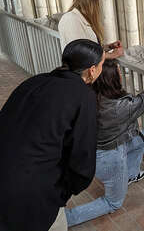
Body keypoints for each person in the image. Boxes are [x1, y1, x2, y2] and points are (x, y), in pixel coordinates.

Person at [0, 39, 105, 231]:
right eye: (101, 65)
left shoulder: (35, 81)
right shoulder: (83, 96)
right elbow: (83, 161)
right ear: (92, 70)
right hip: (31, 196)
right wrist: (60, 193)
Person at [65, 59, 144, 227]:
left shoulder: (88, 94)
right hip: (108, 158)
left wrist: (108, 51)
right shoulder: (118, 107)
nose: (121, 75)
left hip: (92, 151)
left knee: (140, 138)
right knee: (113, 202)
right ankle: (66, 219)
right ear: (112, 78)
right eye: (117, 72)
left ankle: (129, 175)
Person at [58, 0, 124, 59]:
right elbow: (82, 52)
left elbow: (89, 48)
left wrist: (109, 46)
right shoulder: (71, 19)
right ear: (91, 3)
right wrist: (112, 55)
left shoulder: (80, 18)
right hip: (80, 69)